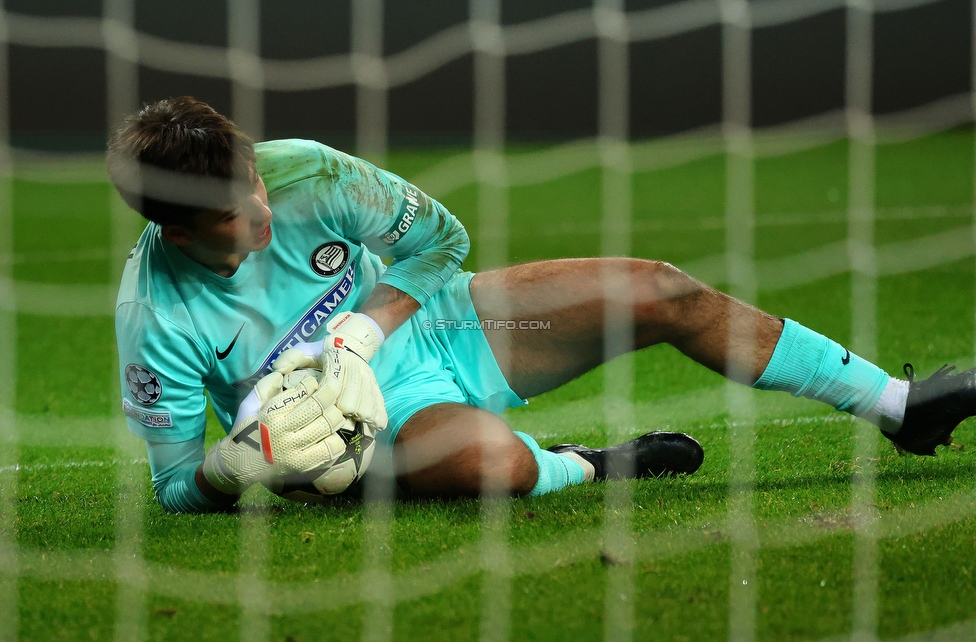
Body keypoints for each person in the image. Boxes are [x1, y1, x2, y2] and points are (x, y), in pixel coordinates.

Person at [109, 97, 975, 514]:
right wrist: (235, 467)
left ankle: (899, 408)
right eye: (232, 213)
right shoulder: (156, 316)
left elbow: (441, 239)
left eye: (254, 181)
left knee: (661, 290)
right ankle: (590, 463)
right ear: (177, 231)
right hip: (367, 433)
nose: (263, 210)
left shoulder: (304, 170)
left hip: (443, 319)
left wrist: (364, 330)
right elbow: (176, 483)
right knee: (499, 467)